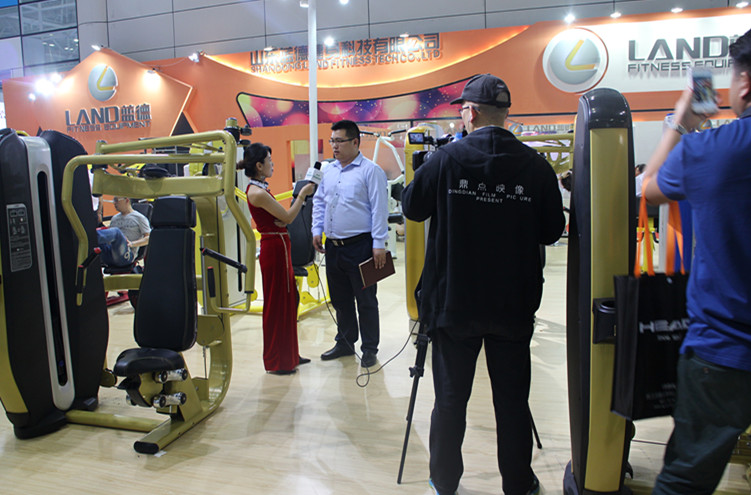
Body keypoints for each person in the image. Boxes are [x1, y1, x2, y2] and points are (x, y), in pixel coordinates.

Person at [401, 74, 564, 495]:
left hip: (454, 304)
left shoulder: (446, 160)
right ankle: (518, 484)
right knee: (512, 402)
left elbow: (413, 208)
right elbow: (552, 230)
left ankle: (444, 483)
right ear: (506, 113)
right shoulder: (535, 166)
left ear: (470, 113)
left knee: (450, 400)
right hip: (512, 306)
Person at [643, 29, 751, 495]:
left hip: (723, 349)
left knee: (685, 480)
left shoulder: (711, 150)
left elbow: (648, 187)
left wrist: (680, 120)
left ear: (745, 83)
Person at [311, 119, 388, 369]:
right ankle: (345, 343)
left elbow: (379, 209)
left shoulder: (370, 171)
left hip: (362, 246)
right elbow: (319, 202)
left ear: (355, 142)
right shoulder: (328, 170)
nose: (334, 146)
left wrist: (379, 243)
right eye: (332, 141)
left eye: (339, 141)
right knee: (340, 299)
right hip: (333, 247)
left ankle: (369, 348)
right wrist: (317, 229)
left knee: (366, 301)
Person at [241, 142, 316, 375]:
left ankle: (289, 354)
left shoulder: (259, 189)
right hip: (275, 248)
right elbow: (288, 217)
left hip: (279, 245)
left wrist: (285, 217)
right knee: (277, 304)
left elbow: (284, 218)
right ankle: (279, 360)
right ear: (259, 165)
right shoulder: (257, 193)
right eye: (269, 161)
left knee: (288, 300)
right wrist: (302, 195)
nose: (272, 165)